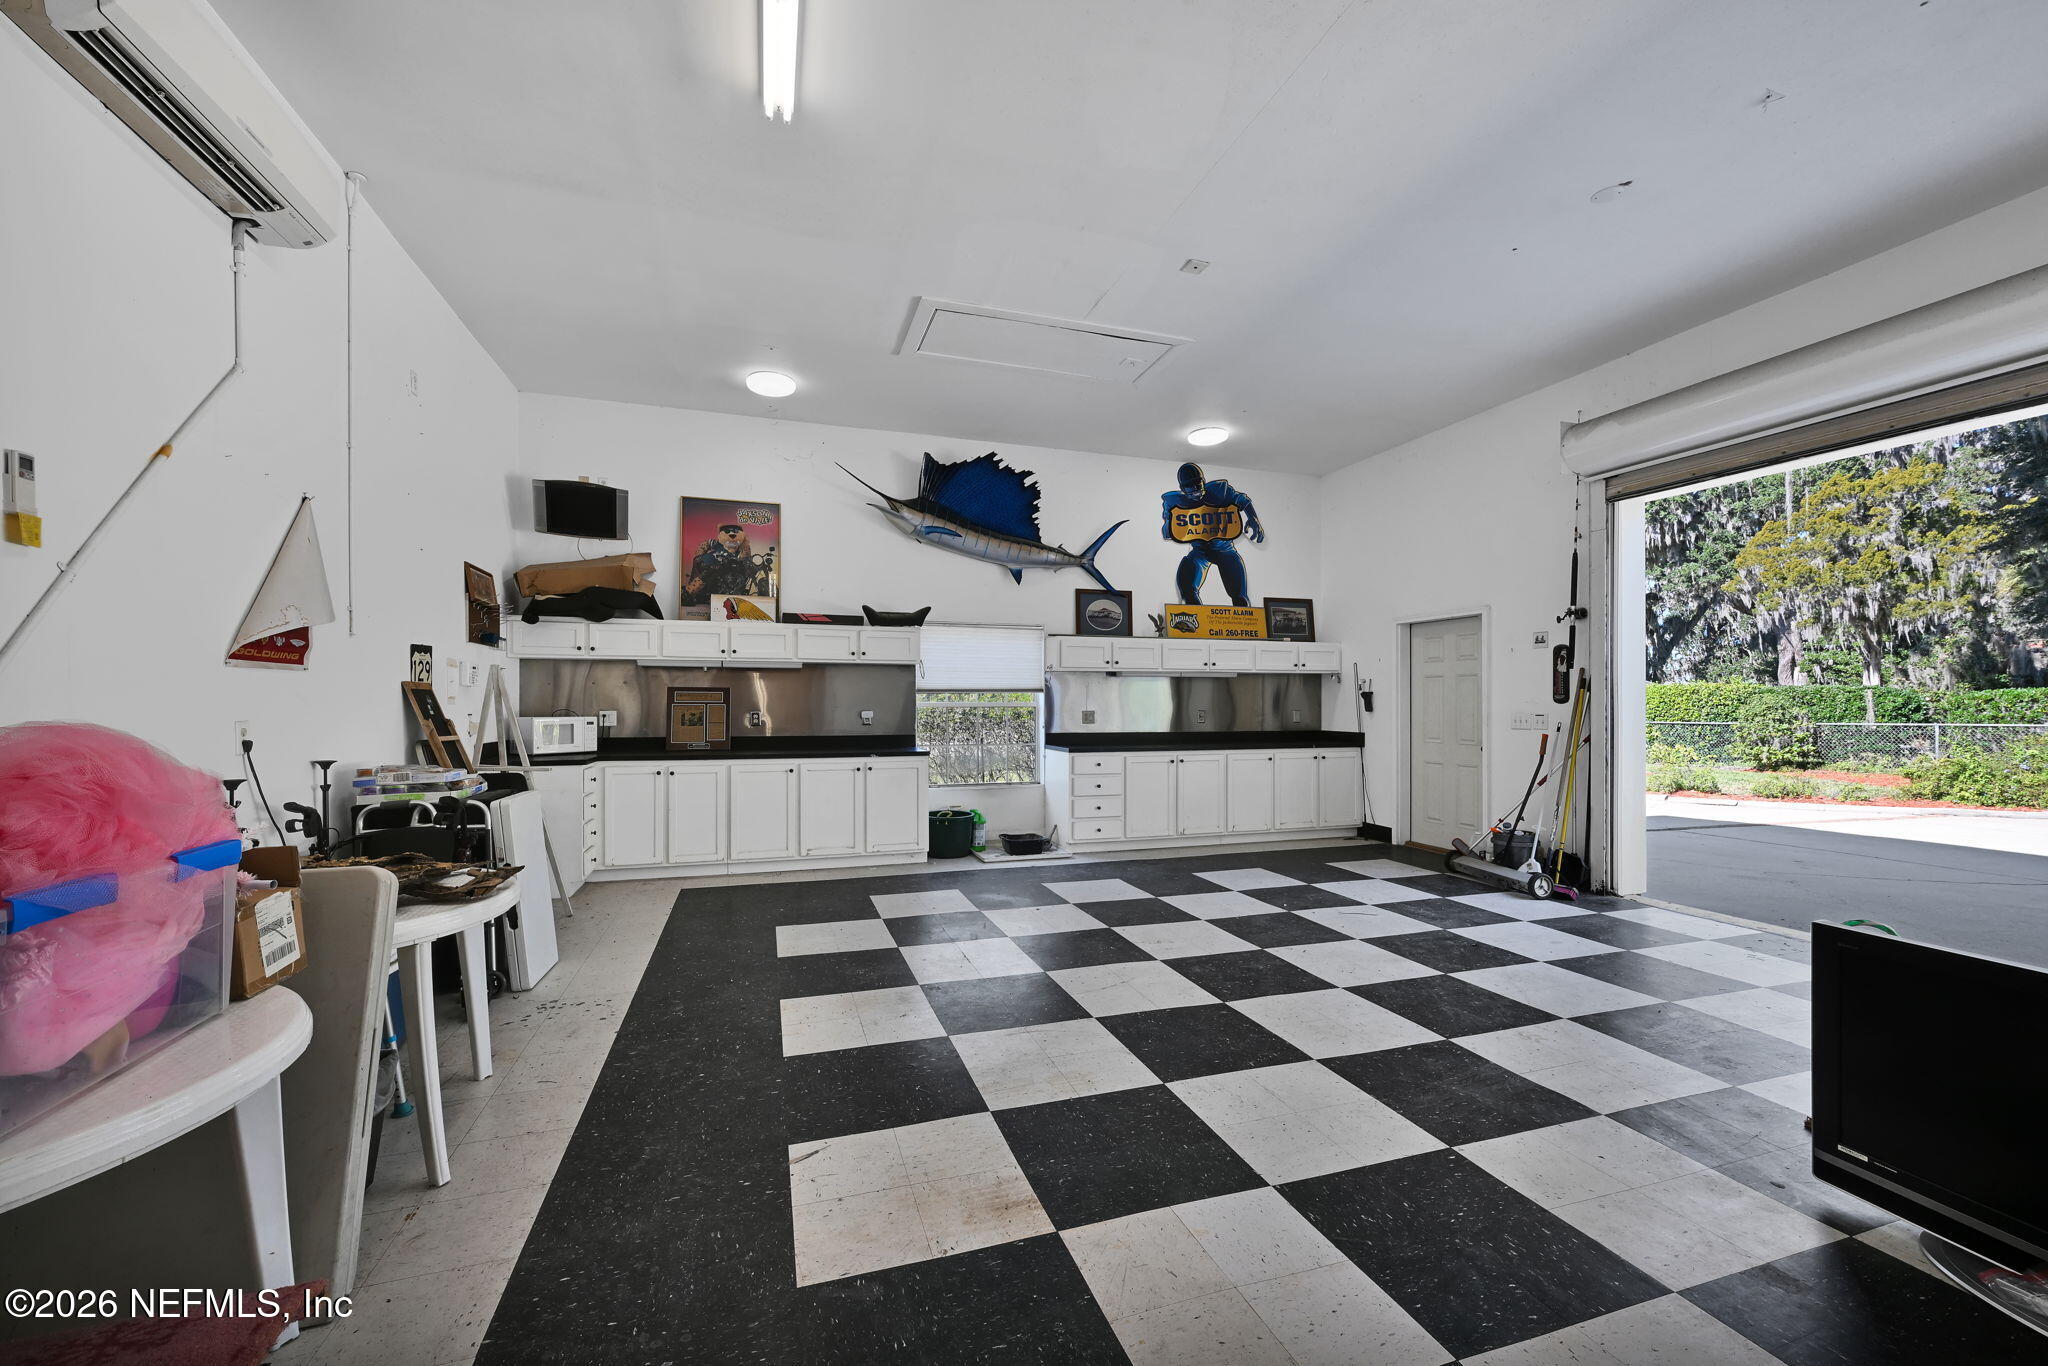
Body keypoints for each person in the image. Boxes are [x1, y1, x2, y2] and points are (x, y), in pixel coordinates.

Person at [1161, 462, 1263, 605]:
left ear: (1203, 481)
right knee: (1186, 589)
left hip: (1224, 549)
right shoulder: (1174, 502)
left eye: (1198, 484)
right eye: (1190, 487)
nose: (1196, 490)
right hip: (1199, 551)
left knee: (1240, 597)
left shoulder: (1219, 491)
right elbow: (1168, 530)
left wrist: (1253, 518)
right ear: (1182, 489)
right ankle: (1197, 625)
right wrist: (1169, 523)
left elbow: (1242, 500)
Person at [683, 524, 770, 605]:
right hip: (715, 566)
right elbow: (705, 545)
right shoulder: (716, 544)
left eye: (736, 532)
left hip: (733, 569)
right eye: (727, 532)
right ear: (721, 535)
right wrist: (700, 556)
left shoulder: (740, 549)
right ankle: (688, 593)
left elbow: (746, 557)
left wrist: (746, 544)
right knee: (710, 571)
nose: (732, 534)